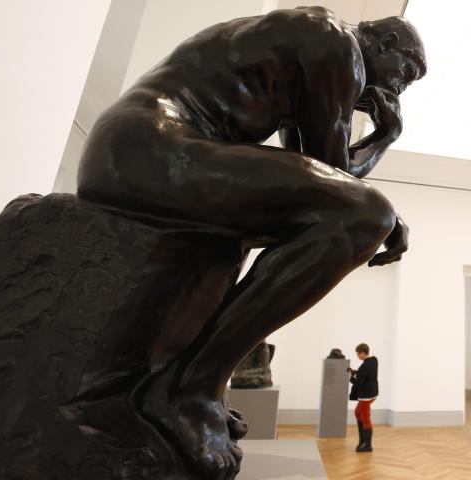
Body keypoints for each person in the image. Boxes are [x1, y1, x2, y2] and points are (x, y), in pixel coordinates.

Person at [76, 6, 425, 476]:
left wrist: (379, 208)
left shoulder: (308, 54)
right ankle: (188, 390)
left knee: (367, 214)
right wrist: (386, 138)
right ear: (380, 44)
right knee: (368, 216)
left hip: (137, 148)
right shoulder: (336, 43)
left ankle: (192, 383)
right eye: (407, 70)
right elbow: (339, 178)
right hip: (149, 145)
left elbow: (321, 179)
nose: (401, 88)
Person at [348, 343, 379, 452]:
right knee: (357, 413)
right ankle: (362, 441)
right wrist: (355, 373)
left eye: (358, 354)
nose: (357, 356)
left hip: (366, 395)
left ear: (362, 353)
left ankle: (367, 445)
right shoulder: (373, 360)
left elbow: (358, 382)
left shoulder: (365, 365)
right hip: (372, 392)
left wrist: (350, 377)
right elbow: (364, 375)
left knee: (365, 418)